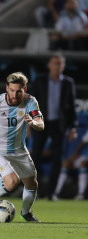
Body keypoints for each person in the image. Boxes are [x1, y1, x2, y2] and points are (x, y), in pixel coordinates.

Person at [30, 54, 77, 200]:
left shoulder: (68, 83)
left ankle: (51, 193)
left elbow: (72, 107)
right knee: (35, 156)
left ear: (63, 66)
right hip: (40, 123)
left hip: (58, 125)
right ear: (49, 65)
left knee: (57, 159)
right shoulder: (40, 80)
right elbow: (30, 102)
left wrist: (73, 127)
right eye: (55, 63)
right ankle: (33, 191)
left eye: (60, 63)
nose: (57, 66)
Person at [0, 72, 44, 222]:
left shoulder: (30, 101)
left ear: (24, 90)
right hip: (0, 150)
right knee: (11, 182)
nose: (14, 94)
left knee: (32, 183)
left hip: (19, 150)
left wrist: (33, 123)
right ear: (7, 88)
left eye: (18, 91)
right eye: (12, 90)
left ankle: (25, 213)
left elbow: (41, 124)